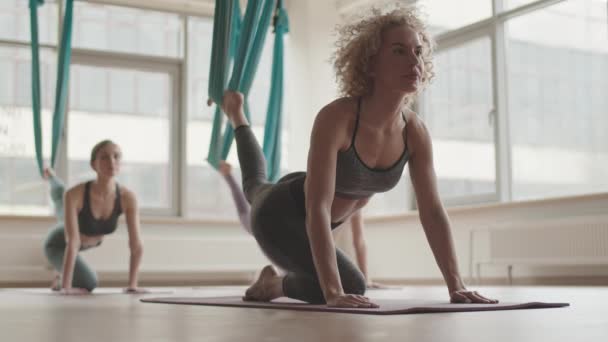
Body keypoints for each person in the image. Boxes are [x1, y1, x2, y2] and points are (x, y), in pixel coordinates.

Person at [213, 7, 498, 308]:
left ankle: (273, 284)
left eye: (417, 51)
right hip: (279, 213)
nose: (414, 61)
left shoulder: (415, 131)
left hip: (305, 203)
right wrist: (334, 293)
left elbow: (432, 211)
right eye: (399, 51)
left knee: (339, 278)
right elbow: (318, 208)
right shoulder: (337, 118)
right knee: (348, 280)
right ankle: (236, 114)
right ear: (370, 64)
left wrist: (457, 285)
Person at [218, 160, 386, 288]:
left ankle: (273, 281)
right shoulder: (323, 193)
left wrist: (366, 278)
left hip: (292, 232)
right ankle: (228, 174)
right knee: (248, 206)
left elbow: (359, 241)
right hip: (268, 218)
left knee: (345, 282)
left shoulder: (357, 201)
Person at [43, 140, 146, 294]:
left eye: (116, 156)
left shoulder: (127, 197)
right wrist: (66, 288)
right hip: (59, 244)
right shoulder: (75, 194)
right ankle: (51, 176)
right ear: (93, 164)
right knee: (89, 282)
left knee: (61, 206)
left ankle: (60, 275)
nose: (111, 161)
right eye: (104, 157)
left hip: (87, 239)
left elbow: (136, 245)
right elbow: (73, 243)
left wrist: (133, 285)